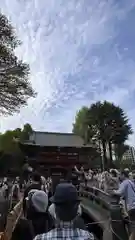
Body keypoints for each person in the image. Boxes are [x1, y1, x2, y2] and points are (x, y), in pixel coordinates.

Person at [113, 170, 135, 240]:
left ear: (123, 175)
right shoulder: (131, 182)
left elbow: (119, 193)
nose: (119, 176)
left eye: (120, 175)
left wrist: (113, 191)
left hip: (131, 207)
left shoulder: (124, 183)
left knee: (132, 227)